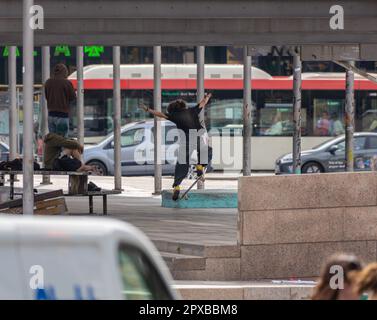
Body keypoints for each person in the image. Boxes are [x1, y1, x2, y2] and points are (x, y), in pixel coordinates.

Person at [140, 93, 212, 200]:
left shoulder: (174, 115)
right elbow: (202, 103)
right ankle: (200, 166)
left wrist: (148, 109)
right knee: (207, 151)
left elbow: (159, 114)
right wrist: (206, 97)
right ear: (184, 106)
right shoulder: (192, 110)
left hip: (185, 141)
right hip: (197, 136)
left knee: (181, 164)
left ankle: (177, 186)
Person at [44, 64, 76, 137]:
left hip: (51, 115)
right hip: (62, 116)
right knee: (62, 141)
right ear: (64, 72)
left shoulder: (48, 82)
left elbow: (46, 97)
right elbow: (73, 97)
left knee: (53, 140)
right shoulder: (67, 83)